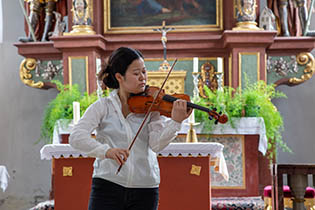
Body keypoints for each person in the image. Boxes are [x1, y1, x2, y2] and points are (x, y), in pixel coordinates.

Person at [69, 47, 192, 210]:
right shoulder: (102, 107)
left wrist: (175, 122)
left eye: (144, 72)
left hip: (145, 189)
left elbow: (156, 145)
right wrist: (106, 151)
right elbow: (76, 137)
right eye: (136, 73)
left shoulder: (152, 108)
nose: (143, 78)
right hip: (107, 186)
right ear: (119, 77)